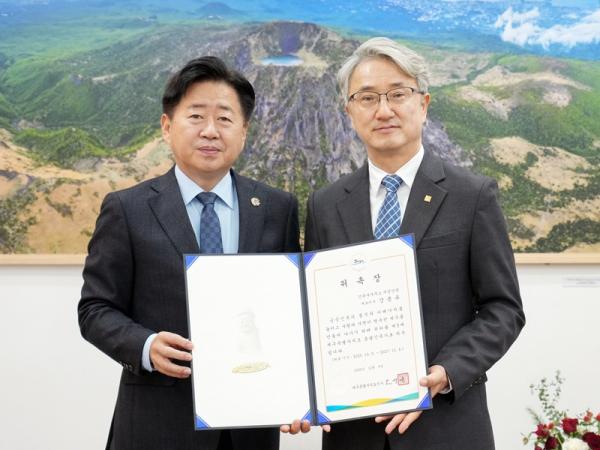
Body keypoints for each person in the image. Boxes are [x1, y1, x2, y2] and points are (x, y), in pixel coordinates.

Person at [304, 37, 525, 450]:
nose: (383, 110)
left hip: (447, 427)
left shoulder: (472, 196)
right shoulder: (325, 205)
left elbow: (504, 309)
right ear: (349, 112)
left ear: (423, 104)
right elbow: (313, 313)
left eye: (397, 94)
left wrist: (447, 371)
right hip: (354, 434)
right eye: (367, 97)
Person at [78, 56, 301, 450]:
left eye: (225, 119)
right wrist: (145, 346)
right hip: (157, 426)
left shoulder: (276, 208)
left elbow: (291, 312)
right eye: (196, 116)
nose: (210, 131)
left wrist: (299, 390)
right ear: (167, 127)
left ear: (244, 132)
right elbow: (95, 309)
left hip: (250, 426)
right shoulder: (127, 209)